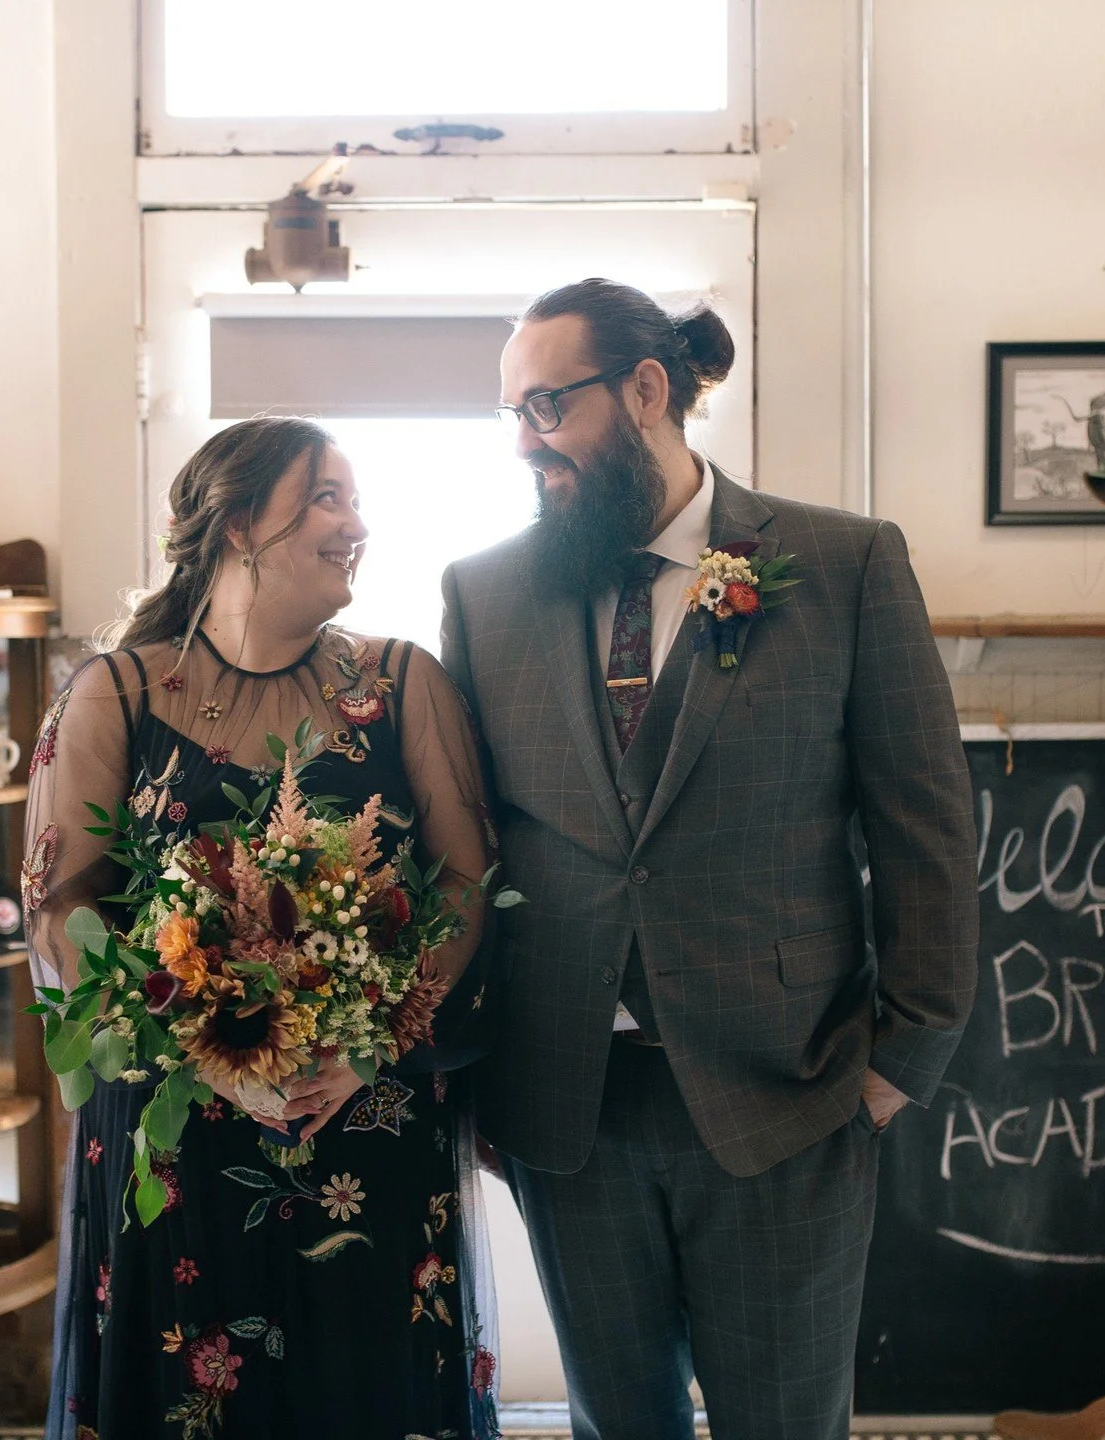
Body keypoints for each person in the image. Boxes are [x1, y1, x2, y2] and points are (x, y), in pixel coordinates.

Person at [440, 278, 979, 1440]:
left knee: (785, 1422)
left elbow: (926, 825)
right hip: (567, 1103)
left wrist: (906, 1053)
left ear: (645, 391)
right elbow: (469, 848)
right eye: (512, 415)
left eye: (547, 409)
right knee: (613, 1421)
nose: (526, 444)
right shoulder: (483, 597)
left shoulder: (844, 565)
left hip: (790, 1091)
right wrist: (473, 1065)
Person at [25, 416, 501, 1440]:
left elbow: (468, 877)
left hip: (360, 1125)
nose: (356, 523)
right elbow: (61, 907)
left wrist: (373, 1037)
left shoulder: (402, 682)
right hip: (177, 1143)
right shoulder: (118, 692)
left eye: (355, 499)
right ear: (240, 523)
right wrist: (200, 1054)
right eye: (328, 496)